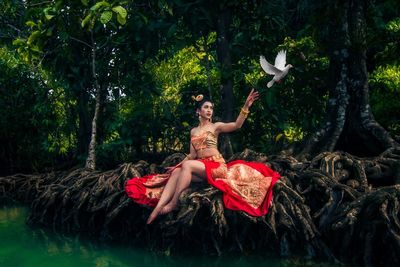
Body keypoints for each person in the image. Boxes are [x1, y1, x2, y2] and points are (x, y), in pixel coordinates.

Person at [125, 89, 281, 224]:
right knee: (177, 172)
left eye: (211, 108)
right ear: (198, 111)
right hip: (201, 168)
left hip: (217, 167)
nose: (209, 110)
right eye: (206, 107)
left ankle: (173, 204)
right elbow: (192, 155)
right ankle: (158, 207)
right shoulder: (193, 131)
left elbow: (236, 125)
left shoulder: (216, 127)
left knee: (187, 167)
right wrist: (176, 166)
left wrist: (246, 106)